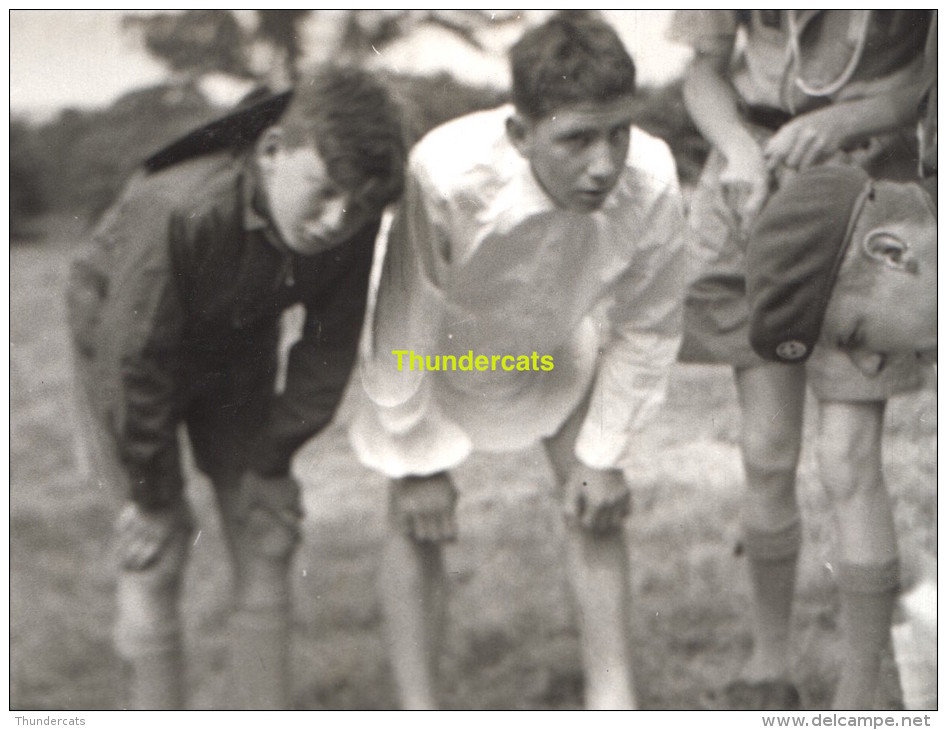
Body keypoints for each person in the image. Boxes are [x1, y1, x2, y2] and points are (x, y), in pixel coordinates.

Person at [349, 11, 686, 710]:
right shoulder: (443, 173)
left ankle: (611, 698)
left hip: (553, 345)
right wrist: (419, 463)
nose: (603, 163)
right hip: (436, 350)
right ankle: (417, 711)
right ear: (519, 131)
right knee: (413, 516)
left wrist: (604, 452)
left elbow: (648, 326)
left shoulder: (650, 178)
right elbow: (401, 317)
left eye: (618, 131)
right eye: (576, 139)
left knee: (595, 503)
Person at [66, 66, 406, 710]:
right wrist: (153, 494)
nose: (339, 220)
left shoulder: (350, 216)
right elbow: (133, 360)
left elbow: (327, 350)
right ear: (272, 152)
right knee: (156, 552)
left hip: (235, 346)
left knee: (266, 532)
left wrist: (273, 457)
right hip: (121, 349)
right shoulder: (177, 207)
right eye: (326, 192)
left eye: (359, 207)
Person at [668, 9, 934, 709]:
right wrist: (738, 149)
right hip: (751, 183)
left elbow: (929, 81)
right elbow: (702, 69)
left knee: (847, 457)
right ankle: (767, 664)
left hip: (867, 188)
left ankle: (857, 698)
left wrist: (846, 121)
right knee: (764, 449)